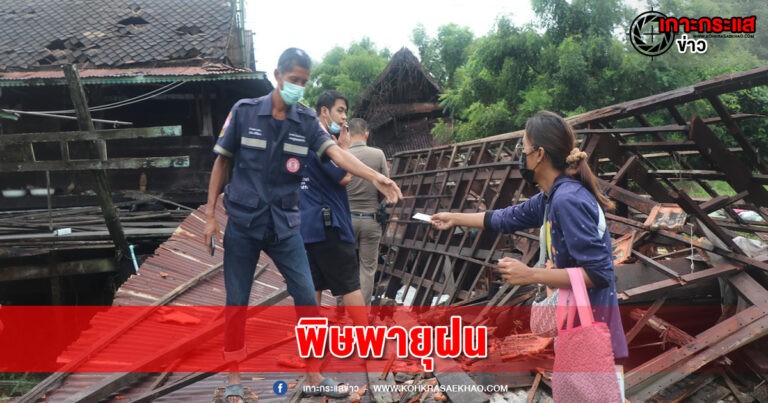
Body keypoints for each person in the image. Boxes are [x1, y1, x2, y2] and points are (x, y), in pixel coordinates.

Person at [204, 48, 402, 403]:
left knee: (307, 300)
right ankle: (233, 376)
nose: (298, 87)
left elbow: (338, 155)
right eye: (294, 80)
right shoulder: (245, 112)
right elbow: (221, 163)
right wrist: (209, 217)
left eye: (304, 82)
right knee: (237, 301)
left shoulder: (306, 121)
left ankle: (313, 372)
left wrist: (377, 178)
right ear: (278, 74)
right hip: (244, 225)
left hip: (285, 225)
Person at [430, 110, 628, 400]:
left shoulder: (567, 200)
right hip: (577, 321)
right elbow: (504, 217)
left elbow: (599, 273)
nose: (520, 156)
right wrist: (454, 218)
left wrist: (530, 275)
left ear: (539, 154)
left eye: (523, 149)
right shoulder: (551, 197)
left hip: (592, 324)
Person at [300, 90, 367, 322]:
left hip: (307, 226)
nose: (344, 118)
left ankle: (310, 350)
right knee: (350, 284)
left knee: (312, 287)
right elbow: (343, 177)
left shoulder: (304, 138)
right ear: (324, 111)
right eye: (340, 111)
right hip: (329, 226)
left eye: (345, 112)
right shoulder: (322, 142)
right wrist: (345, 148)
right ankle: (368, 346)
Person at [346, 118, 389, 304]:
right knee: (367, 268)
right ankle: (360, 318)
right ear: (366, 134)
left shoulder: (341, 154)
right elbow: (385, 188)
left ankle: (341, 310)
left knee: (345, 267)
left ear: (348, 134)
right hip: (371, 220)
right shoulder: (378, 155)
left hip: (346, 221)